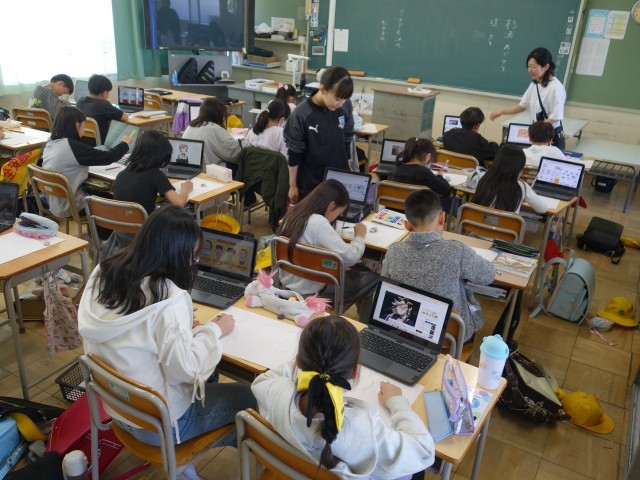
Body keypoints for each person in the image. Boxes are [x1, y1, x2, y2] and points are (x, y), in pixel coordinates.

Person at [78, 206, 256, 480]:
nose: (193, 262)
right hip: (158, 427)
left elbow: (138, 329)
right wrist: (213, 330)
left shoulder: (104, 271)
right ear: (176, 255)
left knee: (212, 377)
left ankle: (187, 464)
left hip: (117, 408)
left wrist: (181, 329)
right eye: (192, 256)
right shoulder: (169, 299)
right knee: (250, 397)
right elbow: (186, 370)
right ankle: (199, 462)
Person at [251, 315, 434, 478]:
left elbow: (263, 380)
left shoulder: (277, 392)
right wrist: (397, 402)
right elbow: (424, 450)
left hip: (291, 468)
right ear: (354, 371)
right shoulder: (362, 428)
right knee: (415, 472)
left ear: (298, 360)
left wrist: (306, 356)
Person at [382, 189, 495, 342]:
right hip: (450, 339)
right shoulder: (456, 250)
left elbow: (384, 290)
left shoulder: (394, 251)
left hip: (406, 331)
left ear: (407, 226)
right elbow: (489, 275)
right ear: (442, 218)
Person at [276, 179, 379, 321]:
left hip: (288, 283)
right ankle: (366, 327)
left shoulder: (294, 213)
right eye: (339, 212)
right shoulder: (318, 223)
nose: (337, 216)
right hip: (312, 291)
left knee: (362, 273)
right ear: (331, 205)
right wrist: (359, 237)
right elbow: (351, 257)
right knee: (373, 280)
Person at [42, 106, 132, 217]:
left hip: (55, 202)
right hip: (71, 204)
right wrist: (124, 144)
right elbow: (108, 157)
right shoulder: (72, 146)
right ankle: (102, 228)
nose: (84, 131)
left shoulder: (50, 142)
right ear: (77, 125)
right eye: (83, 126)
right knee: (113, 198)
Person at [284, 66, 354, 204]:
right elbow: (294, 153)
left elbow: (347, 138)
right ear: (323, 90)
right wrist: (292, 186)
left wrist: (349, 169)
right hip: (311, 184)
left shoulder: (345, 106)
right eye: (337, 99)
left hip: (339, 180)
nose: (340, 104)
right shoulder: (301, 114)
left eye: (345, 100)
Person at [490, 47, 567, 150]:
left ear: (546, 66)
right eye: (529, 66)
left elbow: (556, 117)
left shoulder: (555, 88)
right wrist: (501, 112)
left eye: (533, 67)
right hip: (538, 135)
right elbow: (521, 106)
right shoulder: (534, 85)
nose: (530, 70)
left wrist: (535, 129)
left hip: (549, 136)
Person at [113, 130, 193, 214]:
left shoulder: (121, 174)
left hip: (119, 220)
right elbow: (179, 203)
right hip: (145, 222)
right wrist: (185, 190)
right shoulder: (155, 175)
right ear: (161, 156)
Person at [473, 145, 547, 214]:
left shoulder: (483, 179)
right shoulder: (522, 187)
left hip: (479, 222)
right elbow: (542, 209)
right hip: (505, 224)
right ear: (518, 169)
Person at [182, 98, 241, 167]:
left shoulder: (190, 126)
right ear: (219, 115)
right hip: (208, 171)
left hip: (190, 168)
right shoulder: (214, 128)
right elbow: (234, 152)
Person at [76, 74, 129, 142]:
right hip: (101, 142)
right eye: (108, 92)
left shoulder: (80, 101)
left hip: (82, 141)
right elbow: (125, 117)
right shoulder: (104, 105)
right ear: (104, 93)